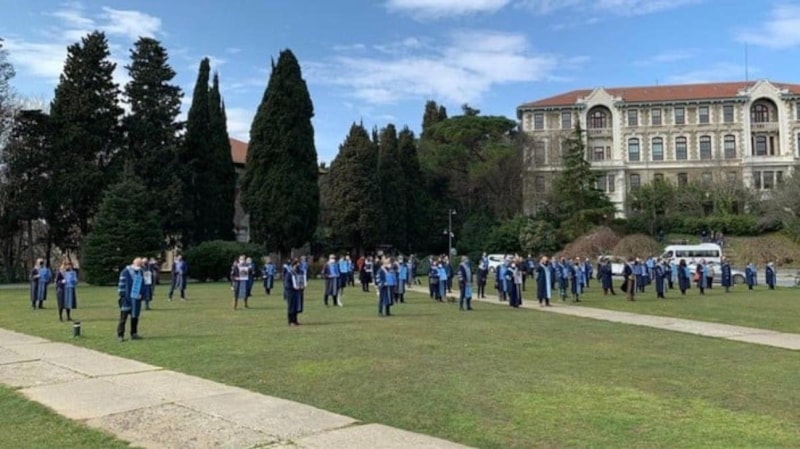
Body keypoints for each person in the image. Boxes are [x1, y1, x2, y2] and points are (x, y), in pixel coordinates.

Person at [117, 258, 145, 342]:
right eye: (138, 264)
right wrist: (122, 295)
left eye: (140, 265)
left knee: (135, 317)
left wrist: (141, 294)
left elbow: (142, 284)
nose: (140, 266)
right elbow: (121, 284)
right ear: (134, 263)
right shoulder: (125, 271)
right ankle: (120, 335)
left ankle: (134, 333)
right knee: (123, 318)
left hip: (136, 299)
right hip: (126, 299)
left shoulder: (140, 272)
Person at [286, 259, 303, 326]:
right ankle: (291, 321)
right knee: (291, 307)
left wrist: (302, 286)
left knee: (296, 307)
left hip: (298, 292)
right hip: (291, 293)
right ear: (294, 265)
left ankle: (295, 320)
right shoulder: (289, 273)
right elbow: (287, 284)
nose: (298, 267)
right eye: (297, 265)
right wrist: (293, 287)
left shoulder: (299, 273)